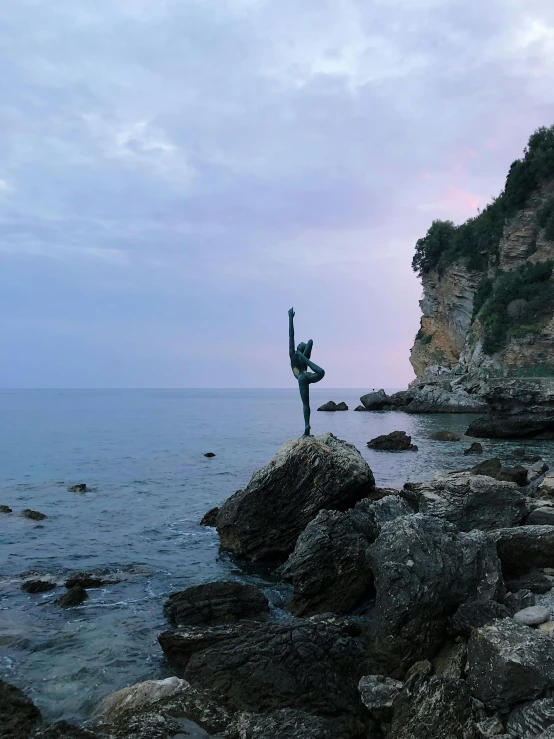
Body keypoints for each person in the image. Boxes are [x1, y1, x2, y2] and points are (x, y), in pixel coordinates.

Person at [288, 308, 325, 436]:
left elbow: (291, 335)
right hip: (306, 375)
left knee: (305, 403)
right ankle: (307, 426)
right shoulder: (303, 357)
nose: (301, 342)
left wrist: (290, 319)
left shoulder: (293, 354)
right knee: (321, 372)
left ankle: (306, 425)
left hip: (301, 377)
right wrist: (304, 356)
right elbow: (310, 341)